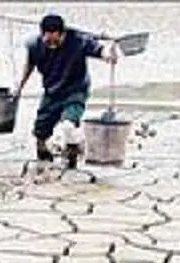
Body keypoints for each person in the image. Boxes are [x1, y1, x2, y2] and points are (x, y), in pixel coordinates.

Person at [13, 13, 117, 168]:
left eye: (56, 40)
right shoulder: (35, 45)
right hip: (52, 90)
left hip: (76, 89)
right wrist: (19, 86)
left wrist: (109, 55)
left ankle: (72, 151)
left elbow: (99, 50)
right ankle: (43, 151)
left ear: (63, 34)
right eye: (48, 40)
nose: (52, 44)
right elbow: (29, 66)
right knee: (41, 128)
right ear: (42, 35)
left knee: (69, 123)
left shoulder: (78, 40)